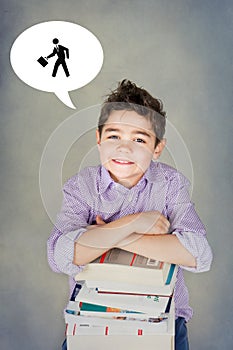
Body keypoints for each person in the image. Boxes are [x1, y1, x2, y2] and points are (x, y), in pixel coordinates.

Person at [47, 79, 213, 349]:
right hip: (94, 322)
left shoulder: (171, 185)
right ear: (99, 140)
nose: (124, 148)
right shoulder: (82, 187)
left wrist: (111, 235)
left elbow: (199, 254)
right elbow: (62, 256)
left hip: (162, 323)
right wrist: (136, 222)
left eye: (139, 139)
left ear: (157, 148)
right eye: (114, 136)